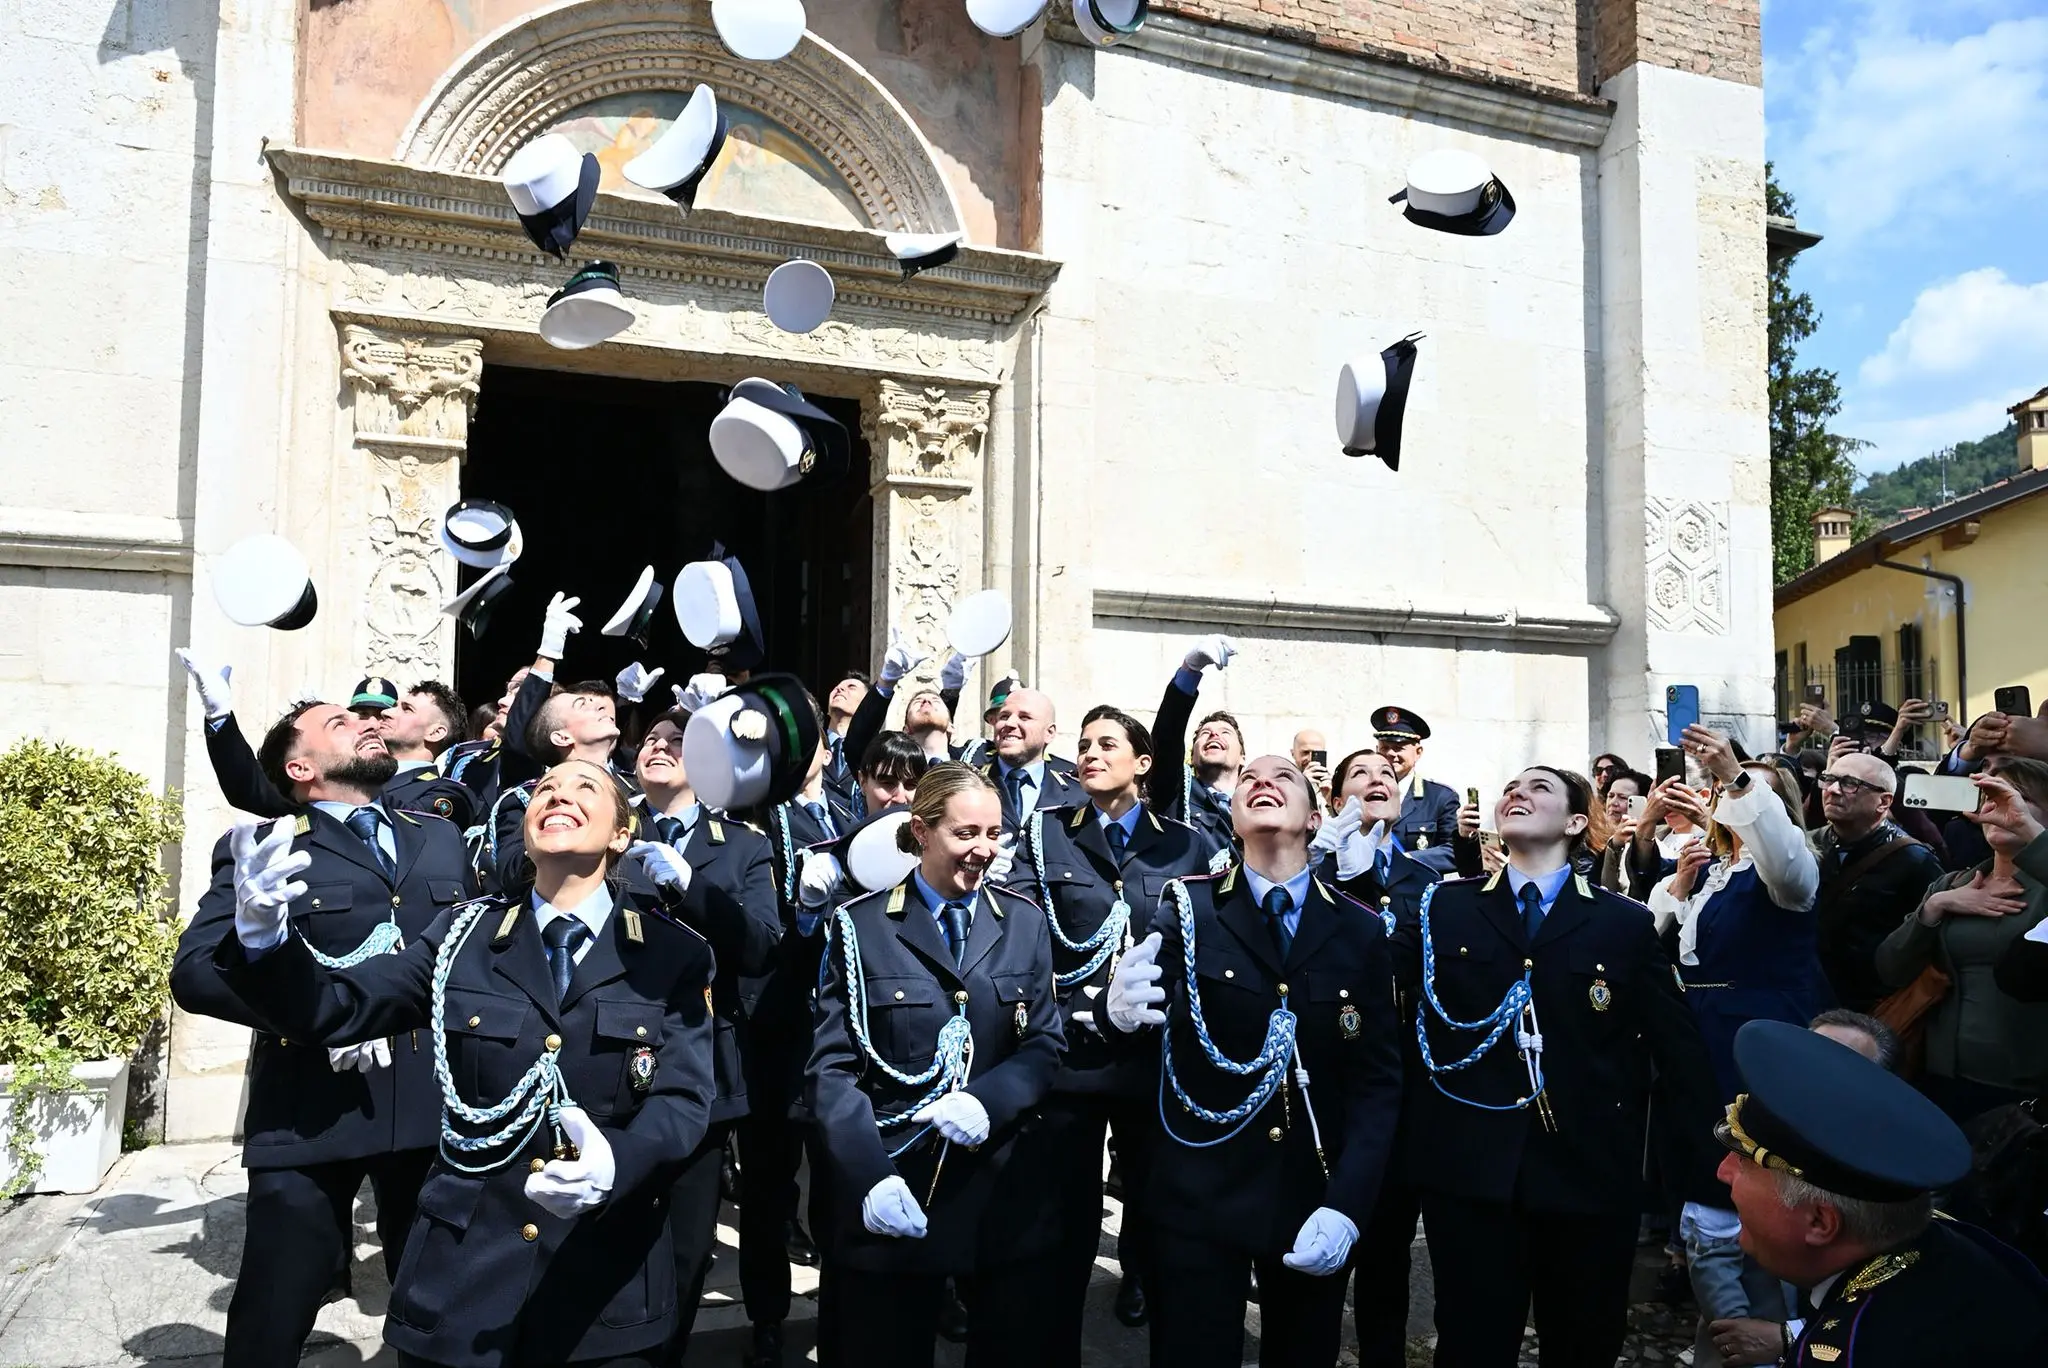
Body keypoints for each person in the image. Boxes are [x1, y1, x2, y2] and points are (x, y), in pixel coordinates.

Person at [201, 756, 721, 1367]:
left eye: (586, 788)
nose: (558, 796)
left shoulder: (673, 953)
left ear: (621, 834)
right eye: (544, 790)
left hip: (605, 1287)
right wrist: (265, 943)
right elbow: (339, 1006)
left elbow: (683, 1100)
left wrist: (618, 1163)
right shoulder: (460, 937)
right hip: (463, 1279)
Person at [168, 701, 477, 1368]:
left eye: (365, 719)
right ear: (300, 766)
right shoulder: (265, 848)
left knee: (442, 1309)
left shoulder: (442, 837)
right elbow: (194, 976)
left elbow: (473, 957)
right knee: (274, 1310)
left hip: (430, 1107)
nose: (366, 724)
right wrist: (309, 1012)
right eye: (340, 723)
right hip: (311, 1108)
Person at [1391, 765, 1721, 1368]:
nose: (1516, 793)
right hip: (1471, 1173)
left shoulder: (1621, 921)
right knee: (1470, 1340)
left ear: (1575, 822)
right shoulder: (1445, 909)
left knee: (1583, 1338)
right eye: (1510, 787)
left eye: (1538, 788)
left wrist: (1705, 1181)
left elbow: (1680, 1054)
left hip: (1588, 1172)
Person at [1106, 754, 1403, 1368]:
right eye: (1250, 779)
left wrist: (1347, 1205)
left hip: (1310, 1196)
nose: (1263, 782)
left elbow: (1376, 1083)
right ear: (1234, 818)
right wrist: (1118, 1017)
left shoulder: (1360, 929)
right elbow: (1148, 1049)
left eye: (1284, 777)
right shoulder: (1186, 910)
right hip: (1200, 1194)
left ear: (1316, 818)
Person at [806, 763, 1064, 1368]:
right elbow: (832, 1071)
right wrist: (870, 1176)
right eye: (966, 834)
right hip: (901, 1179)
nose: (983, 851)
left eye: (994, 834)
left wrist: (987, 1100)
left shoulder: (1023, 920)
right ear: (921, 832)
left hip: (998, 1192)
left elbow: (1045, 1042)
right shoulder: (861, 926)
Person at [996, 704, 1219, 1350]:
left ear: (1143, 764)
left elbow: (1205, 939)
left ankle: (1140, 1280)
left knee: (1157, 1210)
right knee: (1065, 1221)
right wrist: (1093, 1006)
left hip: (1156, 1057)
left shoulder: (1185, 841)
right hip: (1076, 1053)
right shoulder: (1044, 836)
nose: (1089, 754)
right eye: (1084, 744)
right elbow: (1024, 939)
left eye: (1107, 744)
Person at [1714, 1019, 2048, 1366]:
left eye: (1745, 1162)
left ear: (1820, 1222)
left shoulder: (1859, 1351)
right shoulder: (1953, 1247)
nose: (1723, 1172)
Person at [1647, 726, 1824, 1362]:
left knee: (1754, 1179)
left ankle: (1764, 1335)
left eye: (1754, 796)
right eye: (1730, 791)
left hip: (1756, 1036)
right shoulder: (1716, 872)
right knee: (1703, 1177)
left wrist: (1740, 776)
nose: (1736, 800)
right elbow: (1661, 942)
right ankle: (1722, 1334)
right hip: (1701, 1035)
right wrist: (1676, 890)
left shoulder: (1789, 872)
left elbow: (1781, 853)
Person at [624, 707, 781, 1363]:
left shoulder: (743, 845)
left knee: (687, 1246)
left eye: (678, 742)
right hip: (604, 1054)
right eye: (651, 740)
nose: (660, 747)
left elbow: (760, 945)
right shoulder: (602, 824)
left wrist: (689, 888)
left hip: (699, 1063)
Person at [1307, 749, 1446, 1368]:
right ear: (1337, 799)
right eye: (1359, 775)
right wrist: (1334, 870)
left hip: (1403, 1081)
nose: (1376, 782)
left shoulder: (1424, 883)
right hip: (1330, 1078)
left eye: (1387, 776)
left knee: (1388, 1248)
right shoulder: (1313, 876)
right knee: (1321, 1245)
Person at [738, 717, 841, 1368]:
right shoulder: (755, 817)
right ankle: (767, 1315)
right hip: (777, 1026)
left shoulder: (854, 807)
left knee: (837, 1180)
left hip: (843, 1026)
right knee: (768, 1187)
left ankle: (844, 1306)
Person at [1876, 762, 2048, 1124]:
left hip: (2024, 1083)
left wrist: (2030, 832)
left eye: (2019, 799)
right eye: (1989, 798)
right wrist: (1936, 908)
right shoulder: (1953, 883)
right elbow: (1890, 967)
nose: (1998, 809)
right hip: (1939, 1072)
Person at [1809, 751, 1946, 1013]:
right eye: (1829, 779)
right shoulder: (1806, 844)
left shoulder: (1914, 859)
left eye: (1850, 783)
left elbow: (1928, 943)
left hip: (1872, 1006)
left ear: (1883, 802)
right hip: (1809, 996)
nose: (1833, 790)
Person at [1148, 634, 1242, 853]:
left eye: (1225, 732)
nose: (1213, 736)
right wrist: (1189, 671)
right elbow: (1166, 740)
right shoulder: (1177, 793)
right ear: (1193, 755)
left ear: (1242, 756)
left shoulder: (1256, 800)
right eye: (1205, 733)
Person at [377, 681, 479, 829]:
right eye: (395, 706)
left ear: (435, 733)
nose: (386, 712)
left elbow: (410, 825)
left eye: (407, 709)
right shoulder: (366, 772)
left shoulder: (449, 793)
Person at [1372, 707, 1461, 872]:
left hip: (1417, 893)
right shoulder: (1363, 793)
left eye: (1399, 748)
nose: (1391, 753)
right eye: (1385, 747)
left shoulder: (1440, 797)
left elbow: (1454, 851)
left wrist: (1403, 860)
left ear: (1418, 752)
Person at [1291, 728, 1333, 807]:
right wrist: (1302, 786)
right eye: (1305, 752)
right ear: (1293, 753)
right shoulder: (1283, 784)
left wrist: (1332, 803)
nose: (1310, 759)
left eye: (1316, 753)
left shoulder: (1335, 785)